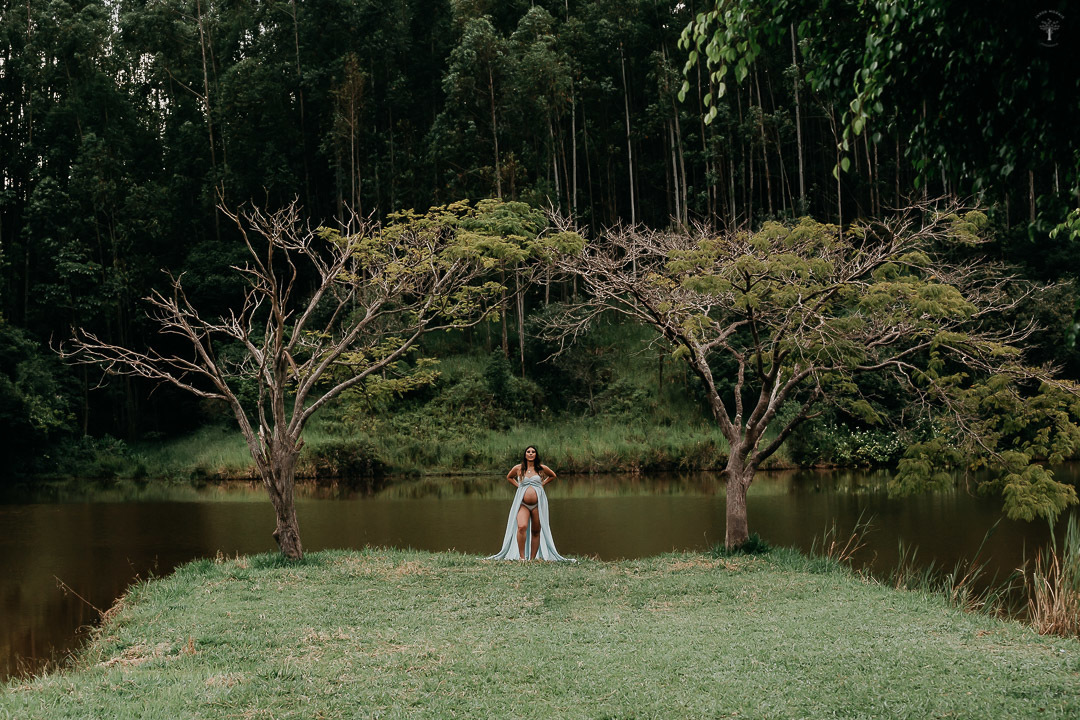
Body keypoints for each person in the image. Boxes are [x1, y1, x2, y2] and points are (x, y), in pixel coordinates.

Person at [488, 445, 573, 561]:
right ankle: (522, 557)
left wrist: (541, 484)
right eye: (528, 451)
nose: (531, 453)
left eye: (533, 452)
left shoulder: (541, 468)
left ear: (536, 454)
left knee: (536, 530)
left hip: (537, 505)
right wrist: (519, 486)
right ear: (525, 454)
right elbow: (509, 477)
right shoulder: (518, 468)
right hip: (523, 504)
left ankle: (532, 559)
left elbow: (553, 476)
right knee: (522, 527)